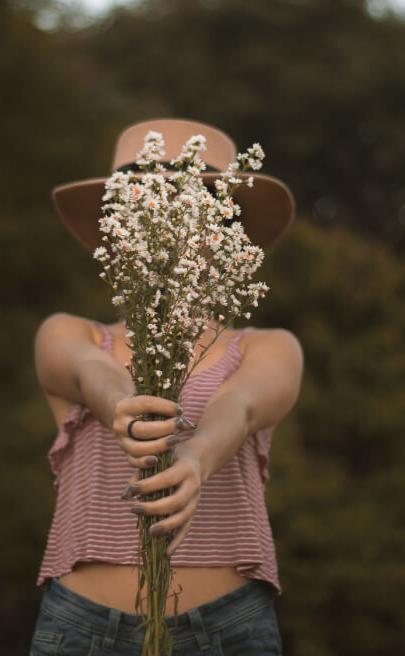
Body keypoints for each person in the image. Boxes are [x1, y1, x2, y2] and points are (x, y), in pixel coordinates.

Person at [29, 118, 304, 655]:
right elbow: (90, 372)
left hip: (228, 630)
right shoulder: (71, 333)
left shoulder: (266, 346)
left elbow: (241, 405)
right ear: (120, 226)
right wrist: (119, 407)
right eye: (150, 204)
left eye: (195, 204)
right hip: (81, 629)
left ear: (227, 228)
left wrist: (197, 456)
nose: (173, 221)